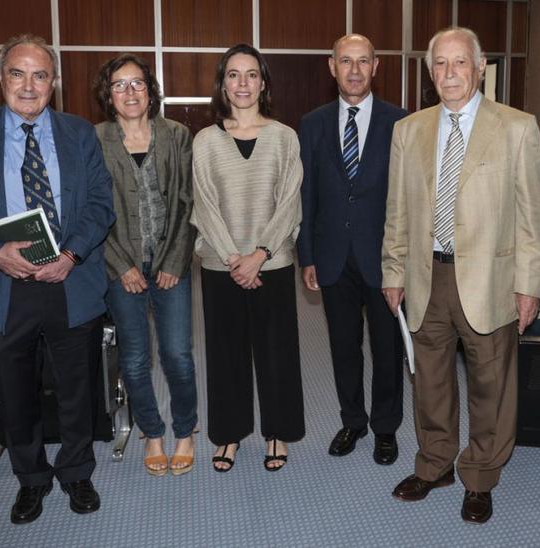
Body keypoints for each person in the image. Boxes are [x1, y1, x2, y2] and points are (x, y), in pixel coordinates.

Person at [0, 34, 115, 524]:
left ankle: (77, 471)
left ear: (54, 83)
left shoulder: (80, 134)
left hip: (69, 281)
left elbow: (102, 203)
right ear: (1, 77)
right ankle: (31, 479)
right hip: (2, 286)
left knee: (78, 388)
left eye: (40, 75)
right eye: (18, 73)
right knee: (14, 396)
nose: (29, 85)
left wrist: (73, 253)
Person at [382, 27, 540, 524]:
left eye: (460, 63)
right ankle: (434, 464)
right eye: (440, 64)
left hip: (491, 280)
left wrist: (529, 285)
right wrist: (393, 269)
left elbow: (532, 217)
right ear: (430, 71)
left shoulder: (517, 126)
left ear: (479, 69)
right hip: (425, 274)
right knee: (429, 380)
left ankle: (480, 475)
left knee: (490, 384)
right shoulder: (409, 131)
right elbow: (397, 212)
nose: (450, 74)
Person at [190, 44, 304, 473]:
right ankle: (229, 435)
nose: (242, 83)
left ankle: (278, 431)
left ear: (263, 82)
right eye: (233, 75)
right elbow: (203, 206)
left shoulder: (284, 137)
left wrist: (259, 255)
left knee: (277, 353)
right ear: (223, 84)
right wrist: (235, 258)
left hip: (271, 265)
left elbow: (290, 203)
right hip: (222, 268)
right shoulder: (205, 141)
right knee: (226, 355)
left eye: (251, 74)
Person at [297, 34, 407, 465]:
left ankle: (385, 428)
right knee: (343, 347)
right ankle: (353, 421)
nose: (355, 70)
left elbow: (407, 198)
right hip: (332, 257)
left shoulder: (401, 122)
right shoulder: (313, 123)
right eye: (347, 61)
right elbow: (306, 196)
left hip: (384, 258)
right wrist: (307, 256)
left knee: (386, 349)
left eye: (363, 61)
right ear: (332, 66)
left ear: (376, 66)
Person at [92, 53, 199, 477]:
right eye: (119, 85)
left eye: (137, 83)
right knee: (135, 359)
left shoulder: (177, 135)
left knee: (178, 354)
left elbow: (189, 201)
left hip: (171, 262)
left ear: (151, 91)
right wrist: (121, 265)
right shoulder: (95, 139)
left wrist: (175, 259)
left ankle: (185, 431)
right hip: (122, 268)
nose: (130, 92)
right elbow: (93, 208)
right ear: (109, 95)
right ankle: (152, 433)